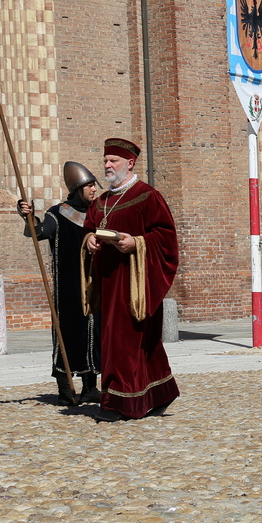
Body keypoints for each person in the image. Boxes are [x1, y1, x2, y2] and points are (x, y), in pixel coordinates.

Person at [81, 138, 179, 421]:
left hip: (138, 283)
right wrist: (89, 240)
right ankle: (161, 392)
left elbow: (166, 238)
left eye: (113, 161)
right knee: (128, 343)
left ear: (130, 163)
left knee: (127, 342)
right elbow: (90, 227)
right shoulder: (101, 202)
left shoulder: (148, 196)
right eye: (105, 161)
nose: (107, 166)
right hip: (109, 283)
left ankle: (118, 404)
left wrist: (136, 243)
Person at [17, 161, 102, 407]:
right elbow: (38, 232)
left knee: (94, 334)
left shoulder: (97, 213)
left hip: (94, 285)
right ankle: (65, 389)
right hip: (69, 288)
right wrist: (29, 217)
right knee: (69, 335)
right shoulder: (58, 213)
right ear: (77, 189)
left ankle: (90, 388)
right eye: (89, 187)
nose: (94, 190)